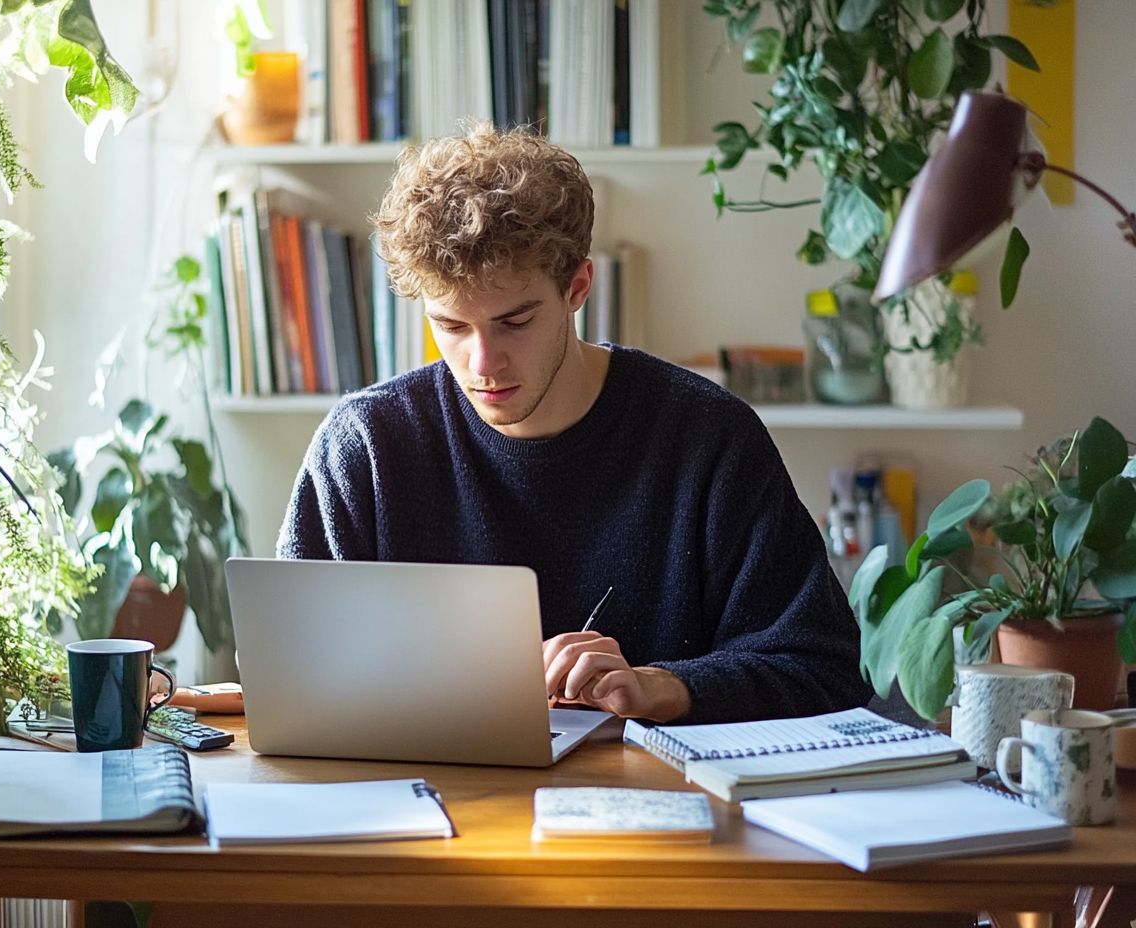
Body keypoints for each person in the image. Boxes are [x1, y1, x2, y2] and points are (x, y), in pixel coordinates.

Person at [277, 122, 871, 725]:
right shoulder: (365, 449)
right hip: (424, 802)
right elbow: (291, 673)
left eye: (515, 321)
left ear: (577, 287)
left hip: (652, 804)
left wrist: (664, 686)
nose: (483, 363)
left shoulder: (708, 440)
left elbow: (823, 669)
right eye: (452, 327)